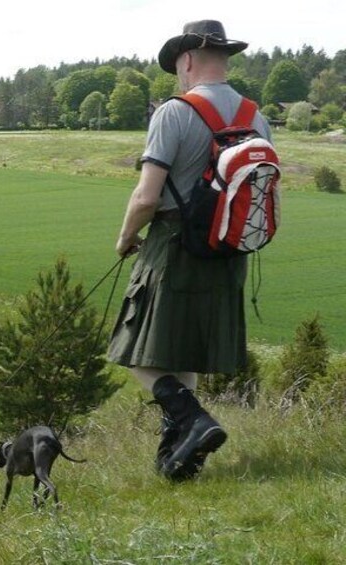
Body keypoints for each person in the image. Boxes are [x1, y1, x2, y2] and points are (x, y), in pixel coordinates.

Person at [106, 20, 273, 481]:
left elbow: (145, 196)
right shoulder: (255, 116)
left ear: (186, 60)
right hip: (230, 251)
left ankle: (194, 420)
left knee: (133, 349)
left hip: (174, 245)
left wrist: (124, 239)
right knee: (185, 353)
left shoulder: (174, 112)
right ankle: (178, 458)